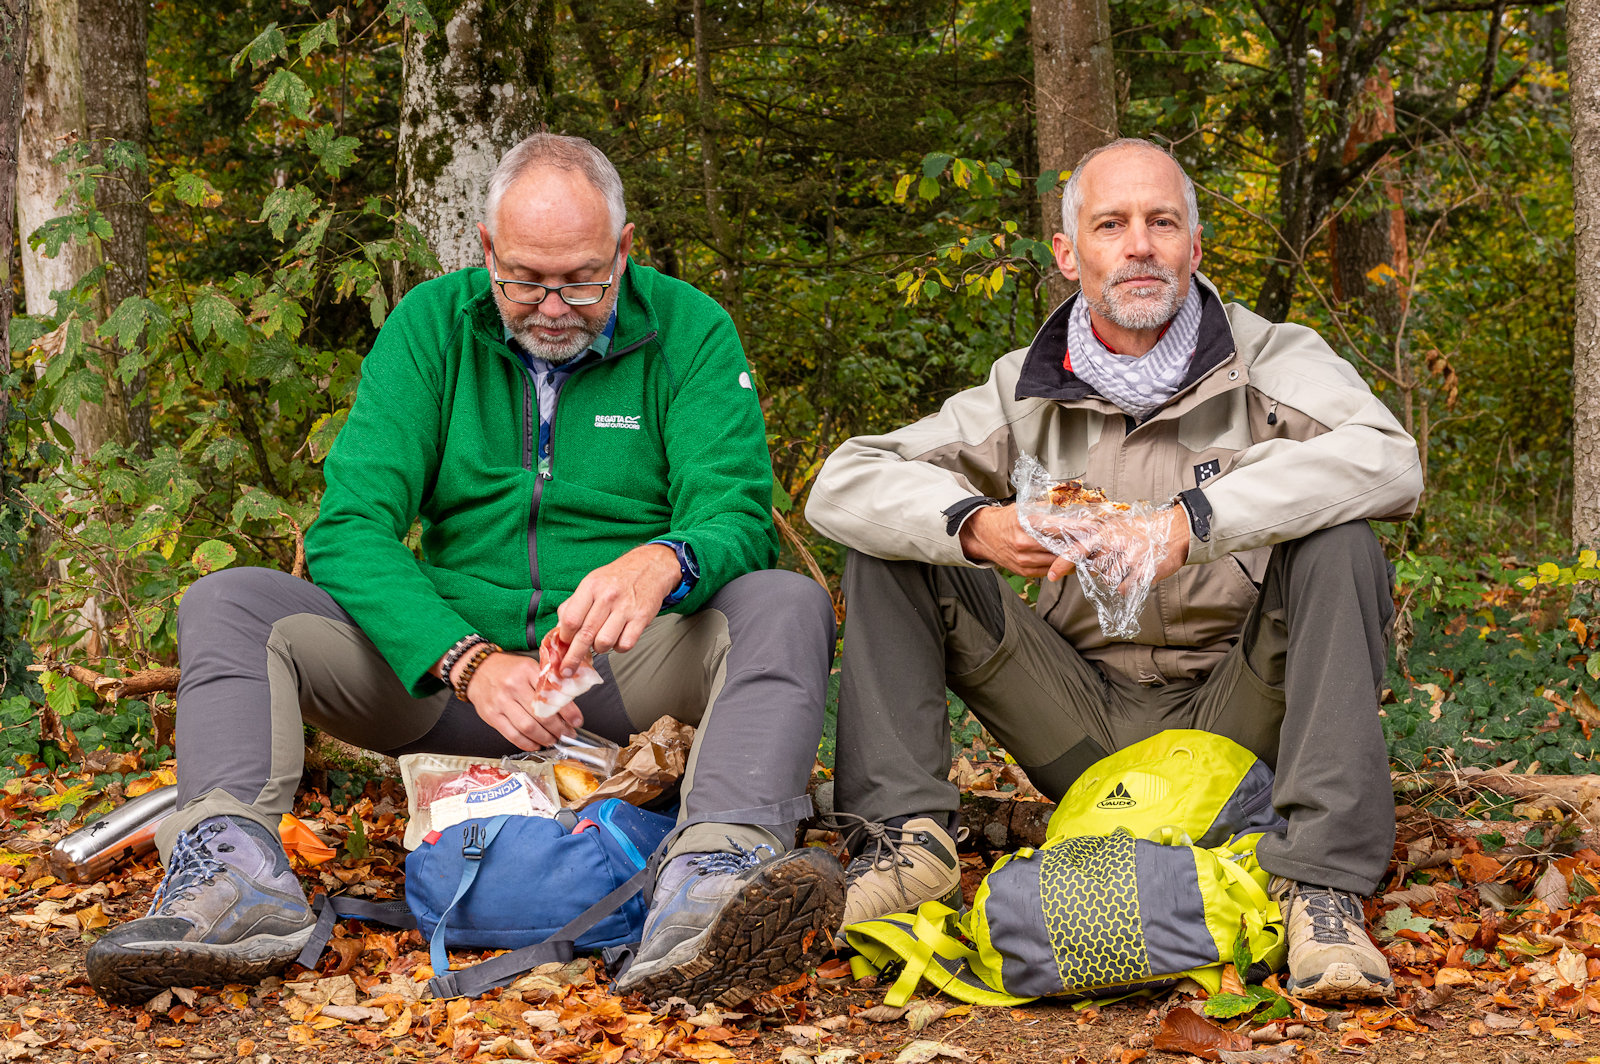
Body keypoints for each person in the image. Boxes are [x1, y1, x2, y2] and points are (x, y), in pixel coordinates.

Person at [86, 133, 844, 1008]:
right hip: (438, 686)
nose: (552, 307)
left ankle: (711, 887)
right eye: (525, 279)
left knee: (785, 602)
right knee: (230, 601)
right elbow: (350, 527)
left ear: (624, 249)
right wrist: (466, 659)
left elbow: (737, 515)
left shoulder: (691, 329)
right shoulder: (432, 325)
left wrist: (665, 560)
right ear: (486, 250)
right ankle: (232, 882)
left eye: (583, 280)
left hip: (619, 676)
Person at [805, 138, 1423, 1002]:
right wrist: (979, 525)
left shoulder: (1272, 360)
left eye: (1162, 223)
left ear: (1194, 247)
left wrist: (1193, 523)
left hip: (1237, 710)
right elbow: (843, 481)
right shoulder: (1022, 389)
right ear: (1069, 255)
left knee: (1342, 540)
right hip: (1078, 719)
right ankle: (906, 849)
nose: (1139, 246)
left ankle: (1320, 888)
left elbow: (1391, 460)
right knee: (898, 541)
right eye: (1111, 225)